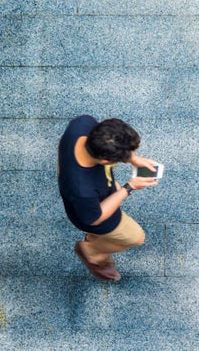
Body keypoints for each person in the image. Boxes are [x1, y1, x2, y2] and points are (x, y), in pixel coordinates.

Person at [58, 115, 159, 281]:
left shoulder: (83, 123)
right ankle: (92, 252)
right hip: (92, 215)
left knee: (115, 190)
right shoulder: (82, 189)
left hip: (91, 197)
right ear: (105, 160)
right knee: (136, 237)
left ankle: (93, 239)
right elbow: (95, 218)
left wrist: (133, 159)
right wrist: (130, 187)